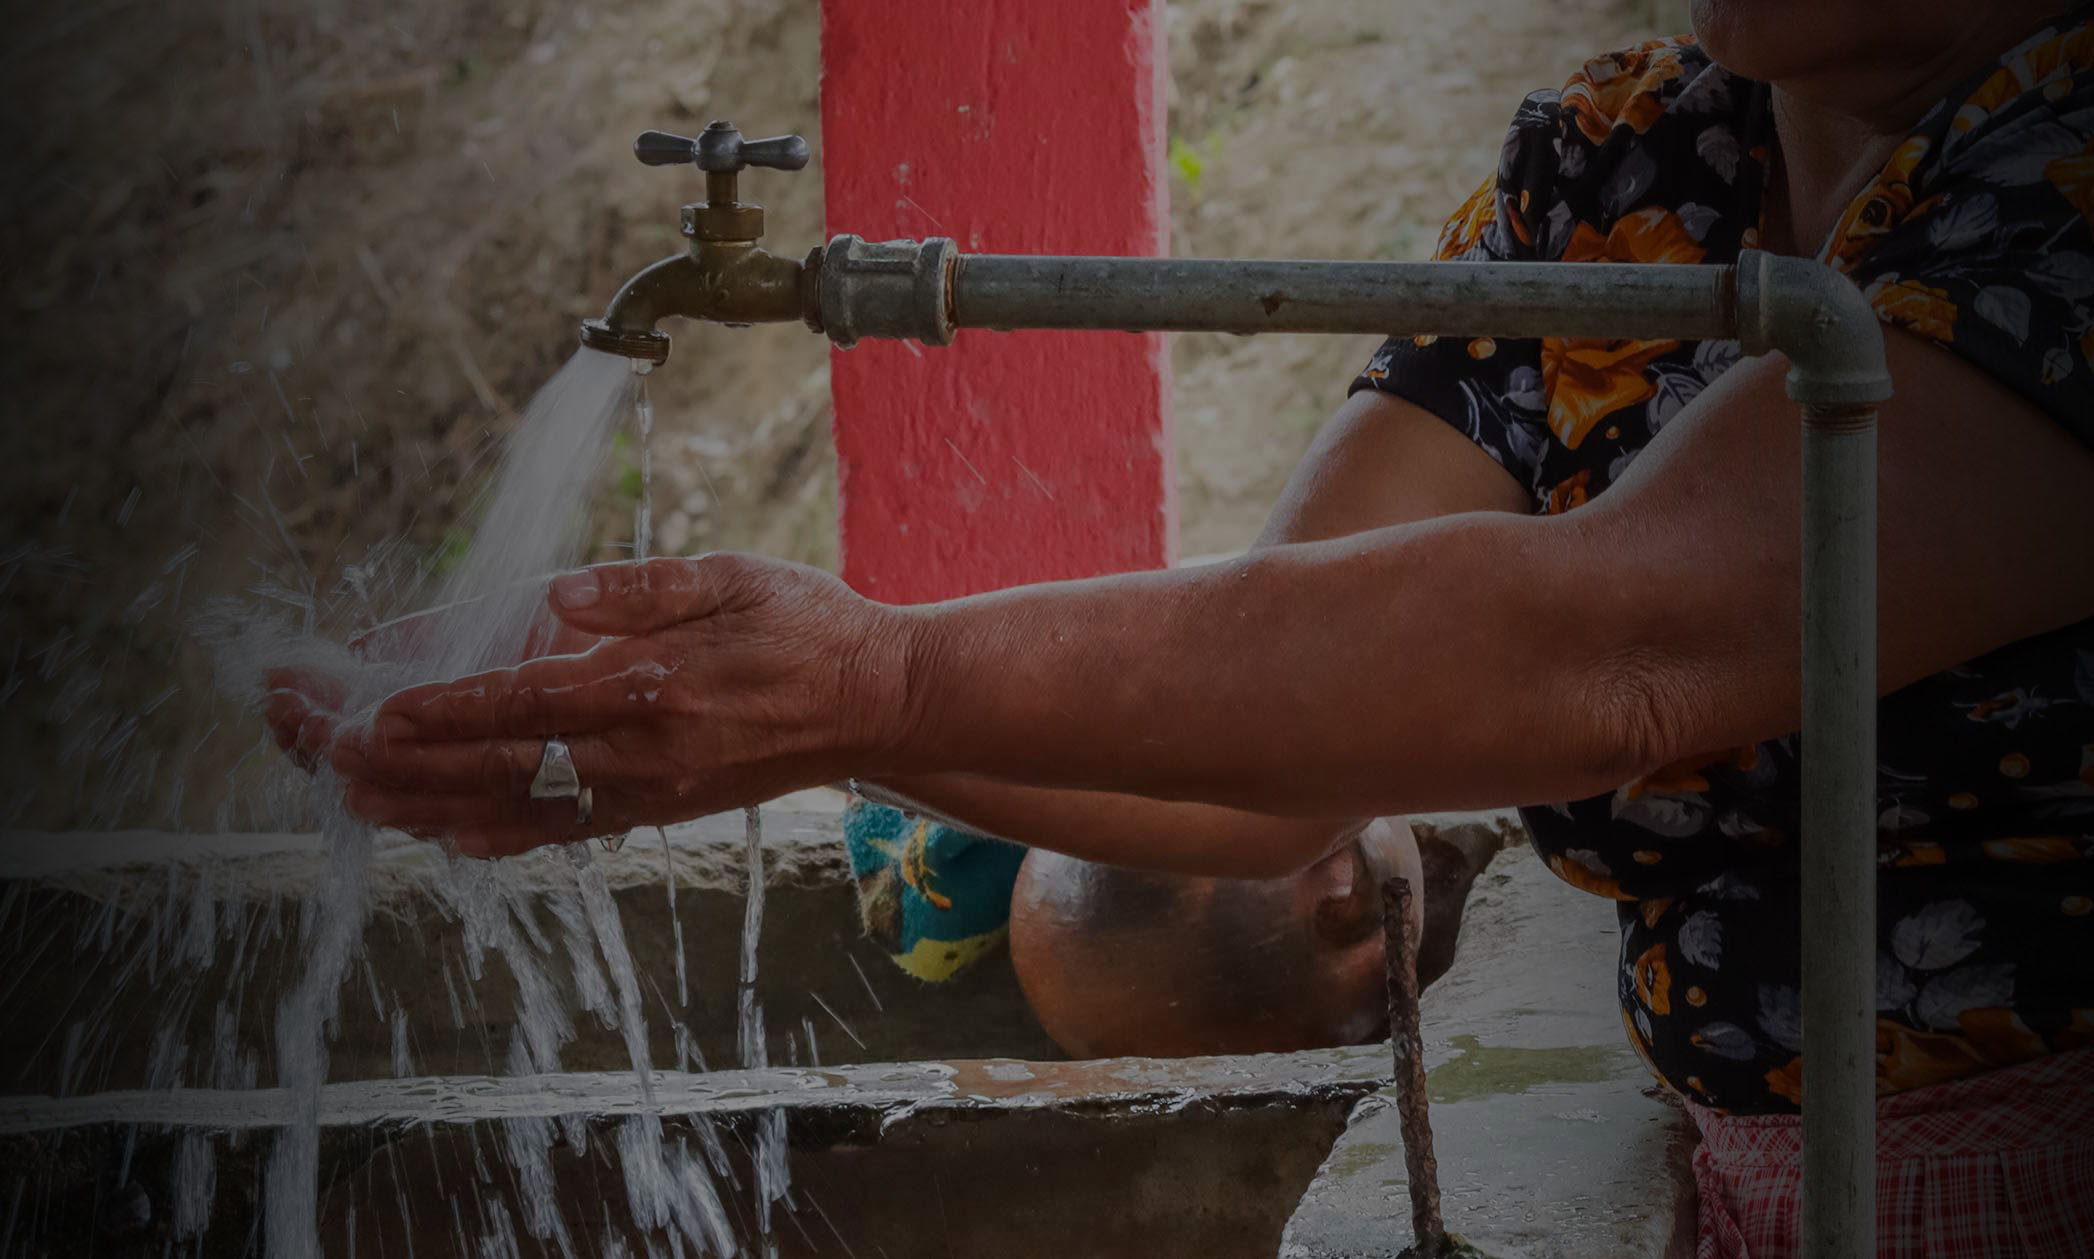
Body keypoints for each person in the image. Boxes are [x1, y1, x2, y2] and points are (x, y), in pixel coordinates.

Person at [276, 0, 2094, 1252]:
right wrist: (793, 716)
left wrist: (872, 676)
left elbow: (1610, 644)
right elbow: (1281, 765)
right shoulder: (1628, 165)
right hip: (1765, 1186)